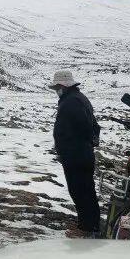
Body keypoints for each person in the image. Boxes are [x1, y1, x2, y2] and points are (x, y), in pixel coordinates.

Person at [50, 69, 101, 237]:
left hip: (76, 153)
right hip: (79, 152)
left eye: (57, 86)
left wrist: (73, 144)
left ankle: (87, 227)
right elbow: (93, 126)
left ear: (63, 85)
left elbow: (85, 126)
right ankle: (89, 223)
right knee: (85, 189)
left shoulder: (72, 101)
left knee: (80, 190)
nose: (56, 90)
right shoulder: (78, 98)